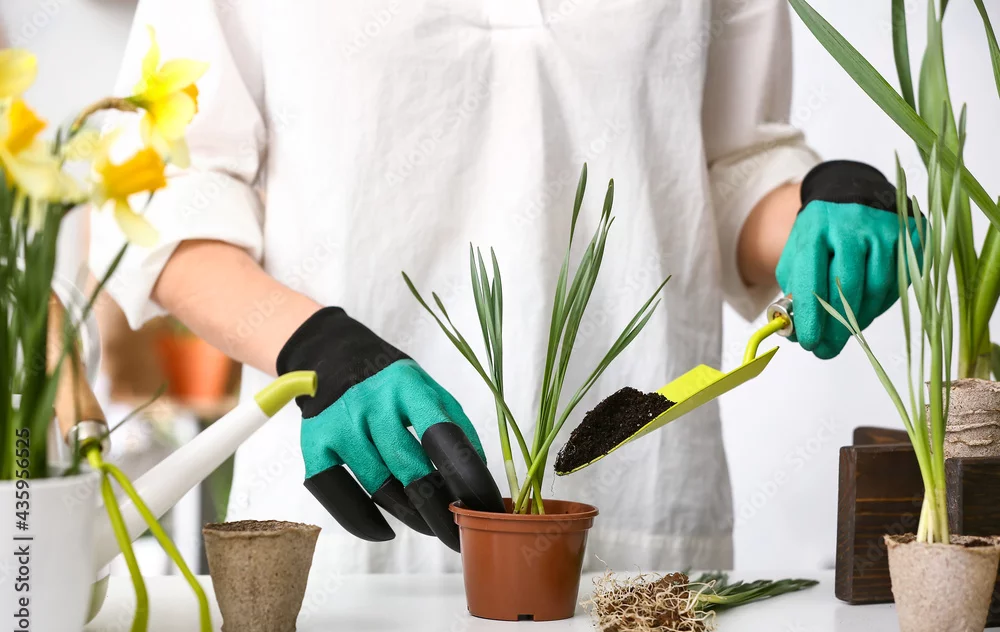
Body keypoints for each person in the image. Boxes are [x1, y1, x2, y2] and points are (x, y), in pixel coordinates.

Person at [92, 0, 912, 573]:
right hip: (356, 522)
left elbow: (729, 166)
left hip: (637, 517)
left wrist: (821, 212)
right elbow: (165, 196)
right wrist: (312, 348)